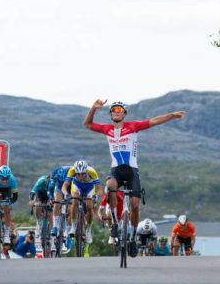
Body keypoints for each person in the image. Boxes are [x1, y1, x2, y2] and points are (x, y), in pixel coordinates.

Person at [83, 99, 185, 257]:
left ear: (124, 114)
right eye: (114, 110)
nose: (116, 112)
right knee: (110, 185)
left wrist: (171, 116)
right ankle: (115, 225)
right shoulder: (107, 129)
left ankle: (131, 234)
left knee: (135, 204)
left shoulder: (133, 126)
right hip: (116, 169)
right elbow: (87, 124)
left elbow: (154, 121)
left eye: (119, 110)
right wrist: (93, 109)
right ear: (110, 114)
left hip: (132, 170)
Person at [61, 160, 103, 244]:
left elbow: (99, 189)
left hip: (89, 187)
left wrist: (96, 196)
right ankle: (73, 225)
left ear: (86, 171)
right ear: (75, 172)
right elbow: (65, 185)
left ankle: (88, 230)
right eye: (78, 174)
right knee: (75, 200)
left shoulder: (92, 172)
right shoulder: (72, 170)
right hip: (77, 185)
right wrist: (66, 193)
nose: (80, 176)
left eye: (83, 174)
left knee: (89, 206)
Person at [29, 173, 52, 251]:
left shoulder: (54, 184)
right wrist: (32, 200)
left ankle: (52, 235)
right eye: (49, 181)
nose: (50, 182)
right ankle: (39, 222)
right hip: (41, 195)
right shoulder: (41, 180)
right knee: (37, 206)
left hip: (51, 196)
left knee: (50, 215)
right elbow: (33, 191)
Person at [49, 165, 70, 239]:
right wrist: (51, 198)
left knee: (71, 205)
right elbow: (50, 188)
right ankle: (55, 226)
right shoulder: (55, 174)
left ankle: (68, 228)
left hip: (71, 186)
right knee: (57, 201)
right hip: (59, 187)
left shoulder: (72, 174)